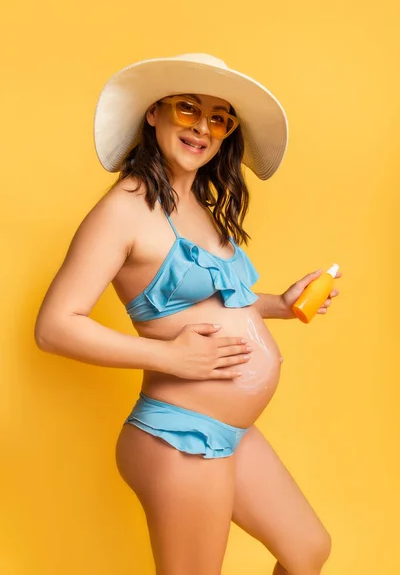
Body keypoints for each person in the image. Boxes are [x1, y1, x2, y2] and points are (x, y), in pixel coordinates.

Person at [35, 53, 340, 575]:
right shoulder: (123, 209)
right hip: (180, 437)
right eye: (187, 109)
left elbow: (205, 300)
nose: (202, 127)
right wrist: (171, 357)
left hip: (228, 431)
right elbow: (55, 327)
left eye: (218, 117)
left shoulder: (197, 204)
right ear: (154, 113)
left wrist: (279, 306)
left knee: (307, 549)